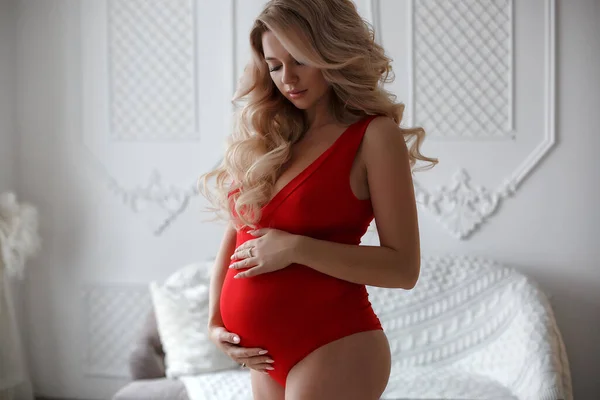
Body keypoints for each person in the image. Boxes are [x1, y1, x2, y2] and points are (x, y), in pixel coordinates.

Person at [198, 0, 437, 398]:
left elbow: (403, 267)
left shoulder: (374, 136)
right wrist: (214, 321)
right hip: (266, 357)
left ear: (330, 51)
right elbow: (237, 233)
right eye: (274, 66)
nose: (287, 78)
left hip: (336, 344)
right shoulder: (269, 140)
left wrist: (296, 248)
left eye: (299, 60)